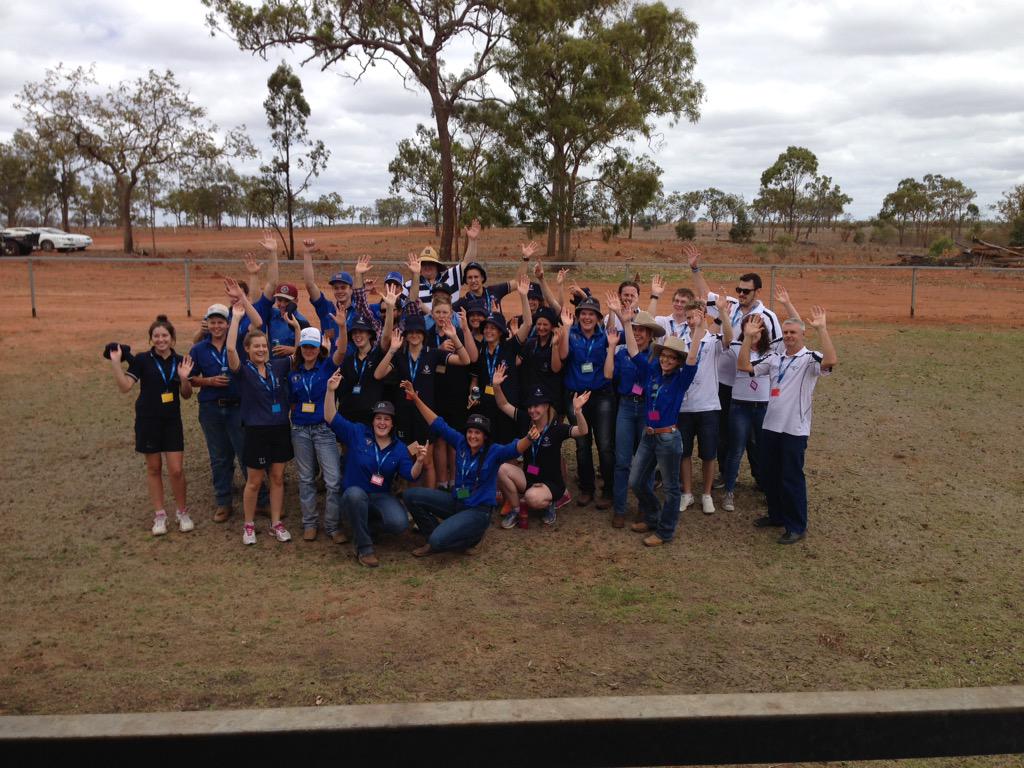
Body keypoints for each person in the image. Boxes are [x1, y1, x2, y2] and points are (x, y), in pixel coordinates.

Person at [400, 380, 538, 557]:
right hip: (457, 501)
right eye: (470, 431)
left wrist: (530, 438)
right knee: (410, 496)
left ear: (485, 436)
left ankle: (471, 539)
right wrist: (415, 399)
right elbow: (437, 423)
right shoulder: (460, 443)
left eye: (477, 432)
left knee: (438, 541)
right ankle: (435, 536)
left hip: (478, 511)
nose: (472, 436)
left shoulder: (494, 452)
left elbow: (515, 448)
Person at [608, 292, 701, 547]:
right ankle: (651, 515)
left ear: (678, 362)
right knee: (636, 480)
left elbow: (692, 357)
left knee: (671, 488)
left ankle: (665, 531)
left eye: (672, 357)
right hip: (648, 435)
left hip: (668, 438)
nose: (667, 360)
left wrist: (698, 331)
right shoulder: (651, 372)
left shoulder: (681, 379)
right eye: (664, 356)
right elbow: (635, 352)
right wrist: (626, 323)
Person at [738, 307, 837, 544]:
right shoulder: (775, 359)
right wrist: (748, 339)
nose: (789, 336)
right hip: (771, 426)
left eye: (793, 332)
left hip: (794, 429)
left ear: (802, 335)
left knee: (791, 477)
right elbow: (744, 366)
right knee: (769, 474)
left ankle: (796, 525)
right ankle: (776, 516)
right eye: (786, 332)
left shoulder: (809, 359)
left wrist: (822, 329)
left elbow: (831, 360)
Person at [688, 244, 781, 489]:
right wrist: (695, 269)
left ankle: (762, 479)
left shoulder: (768, 317)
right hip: (722, 383)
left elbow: (777, 351)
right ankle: (726, 474)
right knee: (724, 434)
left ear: (757, 292)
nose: (740, 293)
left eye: (746, 291)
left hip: (751, 386)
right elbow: (706, 294)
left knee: (752, 437)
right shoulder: (728, 305)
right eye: (739, 289)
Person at [325, 374, 427, 567]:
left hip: (380, 496)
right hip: (354, 494)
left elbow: (410, 474)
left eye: (386, 419)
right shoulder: (357, 432)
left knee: (400, 524)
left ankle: (363, 527)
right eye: (378, 418)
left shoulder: (399, 448)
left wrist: (420, 461)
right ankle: (364, 548)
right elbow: (331, 417)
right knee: (355, 495)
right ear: (372, 421)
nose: (382, 423)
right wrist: (331, 391)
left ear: (392, 423)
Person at [107, 315, 195, 536]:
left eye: (164, 335)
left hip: (172, 421)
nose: (160, 339)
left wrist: (184, 379)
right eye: (156, 336)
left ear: (172, 338)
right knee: (154, 468)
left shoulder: (181, 360)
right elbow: (126, 386)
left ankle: (182, 512)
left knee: (176, 470)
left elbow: (186, 395)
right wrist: (116, 363)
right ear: (151, 339)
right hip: (148, 421)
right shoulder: (142, 360)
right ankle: (160, 515)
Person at [188, 286, 268, 523]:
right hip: (211, 408)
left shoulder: (240, 342)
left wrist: (242, 301)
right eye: (212, 322)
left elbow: (258, 323)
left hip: (238, 407)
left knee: (247, 454)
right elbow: (190, 379)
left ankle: (261, 500)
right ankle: (223, 502)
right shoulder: (198, 349)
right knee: (219, 456)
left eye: (220, 322)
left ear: (227, 322)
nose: (216, 326)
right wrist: (209, 381)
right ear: (207, 325)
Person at [226, 300, 299, 545]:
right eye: (256, 346)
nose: (261, 349)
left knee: (277, 478)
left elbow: (298, 355)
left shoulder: (277, 367)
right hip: (256, 432)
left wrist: (296, 328)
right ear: (247, 349)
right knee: (255, 481)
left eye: (264, 346)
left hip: (279, 429)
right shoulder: (243, 371)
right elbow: (230, 352)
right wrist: (236, 320)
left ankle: (276, 523)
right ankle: (248, 525)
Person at [375, 313, 472, 487]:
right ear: (405, 335)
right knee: (408, 460)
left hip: (425, 418)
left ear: (423, 334)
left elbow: (465, 360)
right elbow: (378, 374)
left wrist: (455, 337)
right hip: (404, 417)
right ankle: (410, 500)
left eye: (418, 331)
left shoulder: (433, 354)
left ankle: (428, 501)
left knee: (427, 462)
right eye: (410, 331)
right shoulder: (399, 356)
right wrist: (391, 350)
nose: (414, 335)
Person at [492, 364, 590, 527]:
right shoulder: (525, 420)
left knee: (531, 497)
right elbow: (503, 405)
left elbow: (582, 431)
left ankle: (551, 502)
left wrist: (578, 411)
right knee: (502, 469)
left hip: (551, 483)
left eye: (537, 405)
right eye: (530, 406)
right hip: (529, 476)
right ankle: (516, 510)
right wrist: (496, 386)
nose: (532, 410)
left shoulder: (556, 428)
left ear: (546, 406)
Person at [553, 297, 616, 509]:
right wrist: (567, 329)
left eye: (591, 313)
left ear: (598, 317)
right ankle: (587, 488)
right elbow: (562, 356)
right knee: (582, 444)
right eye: (583, 313)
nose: (587, 317)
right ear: (578, 316)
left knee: (605, 444)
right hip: (576, 397)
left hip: (601, 395)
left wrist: (615, 313)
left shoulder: (606, 336)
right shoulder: (570, 333)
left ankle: (608, 489)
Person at [605, 310, 664, 528]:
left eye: (642, 330)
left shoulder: (657, 358)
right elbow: (610, 376)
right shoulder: (621, 354)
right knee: (622, 461)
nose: (638, 333)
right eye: (635, 329)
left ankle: (644, 506)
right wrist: (611, 349)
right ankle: (620, 509)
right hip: (627, 406)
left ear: (650, 335)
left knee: (646, 461)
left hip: (647, 409)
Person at [289, 324, 348, 543]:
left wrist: (341, 326)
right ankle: (310, 523)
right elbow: (292, 401)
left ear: (319, 348)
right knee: (306, 479)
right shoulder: (293, 372)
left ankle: (332, 525)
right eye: (305, 346)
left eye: (313, 347)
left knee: (333, 480)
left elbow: (341, 352)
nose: (309, 351)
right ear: (300, 348)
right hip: (300, 430)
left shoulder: (327, 367)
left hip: (324, 430)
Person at [678, 298, 733, 515]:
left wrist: (722, 312)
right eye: (689, 317)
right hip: (684, 407)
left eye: (696, 317)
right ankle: (688, 493)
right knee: (684, 453)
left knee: (709, 453)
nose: (692, 321)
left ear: (704, 315)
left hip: (708, 406)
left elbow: (730, 338)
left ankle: (707, 494)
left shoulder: (713, 340)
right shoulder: (679, 340)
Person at [469, 274, 533, 444]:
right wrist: (473, 393)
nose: (489, 331)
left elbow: (527, 324)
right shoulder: (479, 351)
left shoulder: (509, 346)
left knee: (508, 450)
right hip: (485, 409)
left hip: (508, 407)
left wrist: (523, 296)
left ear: (500, 331)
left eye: (493, 328)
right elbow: (475, 379)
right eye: (486, 328)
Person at [648, 274, 696, 342]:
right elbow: (647, 322)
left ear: (690, 305)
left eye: (683, 302)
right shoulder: (662, 321)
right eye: (676, 301)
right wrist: (655, 295)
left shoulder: (692, 326)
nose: (679, 304)